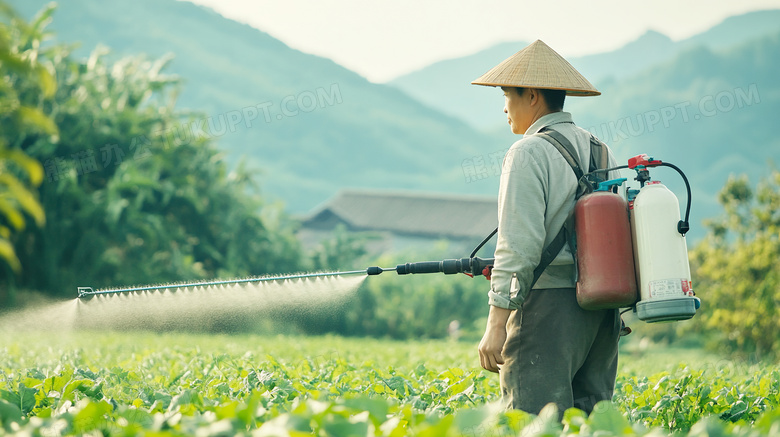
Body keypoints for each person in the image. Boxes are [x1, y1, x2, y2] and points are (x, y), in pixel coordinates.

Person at [471, 40, 621, 416]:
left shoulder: (527, 153)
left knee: (534, 421)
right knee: (589, 423)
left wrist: (496, 323)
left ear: (532, 95)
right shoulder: (601, 150)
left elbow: (517, 246)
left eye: (507, 95)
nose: (504, 107)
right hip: (603, 312)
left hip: (548, 310)